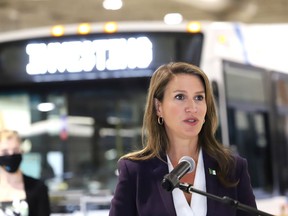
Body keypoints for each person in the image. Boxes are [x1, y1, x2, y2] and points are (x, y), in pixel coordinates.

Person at [109, 62, 257, 216]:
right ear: (159, 108)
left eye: (199, 97)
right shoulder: (135, 171)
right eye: (180, 97)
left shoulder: (232, 168)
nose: (192, 107)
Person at [0, 129, 51, 216]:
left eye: (15, 150)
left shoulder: (37, 187)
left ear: (21, 151)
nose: (11, 154)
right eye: (5, 151)